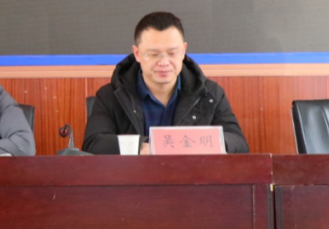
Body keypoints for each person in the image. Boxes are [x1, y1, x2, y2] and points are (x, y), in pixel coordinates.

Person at [83, 12, 249, 155]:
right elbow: (93, 144)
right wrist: (142, 147)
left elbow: (239, 143)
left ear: (183, 51)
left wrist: (195, 144)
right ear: (137, 53)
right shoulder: (111, 95)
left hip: (192, 179)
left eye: (172, 53)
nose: (164, 62)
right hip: (133, 179)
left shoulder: (210, 94)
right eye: (153, 54)